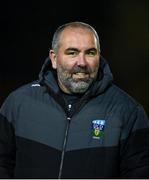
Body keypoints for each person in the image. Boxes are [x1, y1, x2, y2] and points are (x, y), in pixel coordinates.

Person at [0, 21, 149, 179]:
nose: (82, 62)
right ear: (54, 58)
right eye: (72, 52)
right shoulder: (18, 103)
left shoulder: (128, 112)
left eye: (90, 53)